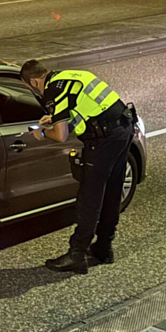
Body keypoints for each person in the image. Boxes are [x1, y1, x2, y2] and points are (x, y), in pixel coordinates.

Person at [20, 59, 134, 275]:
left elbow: (61, 136)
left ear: (34, 82)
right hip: (123, 129)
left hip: (103, 140)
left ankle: (77, 254)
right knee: (112, 191)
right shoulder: (72, 76)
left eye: (29, 88)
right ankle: (103, 247)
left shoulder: (52, 90)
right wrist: (54, 117)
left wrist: (42, 133)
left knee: (89, 197)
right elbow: (85, 109)